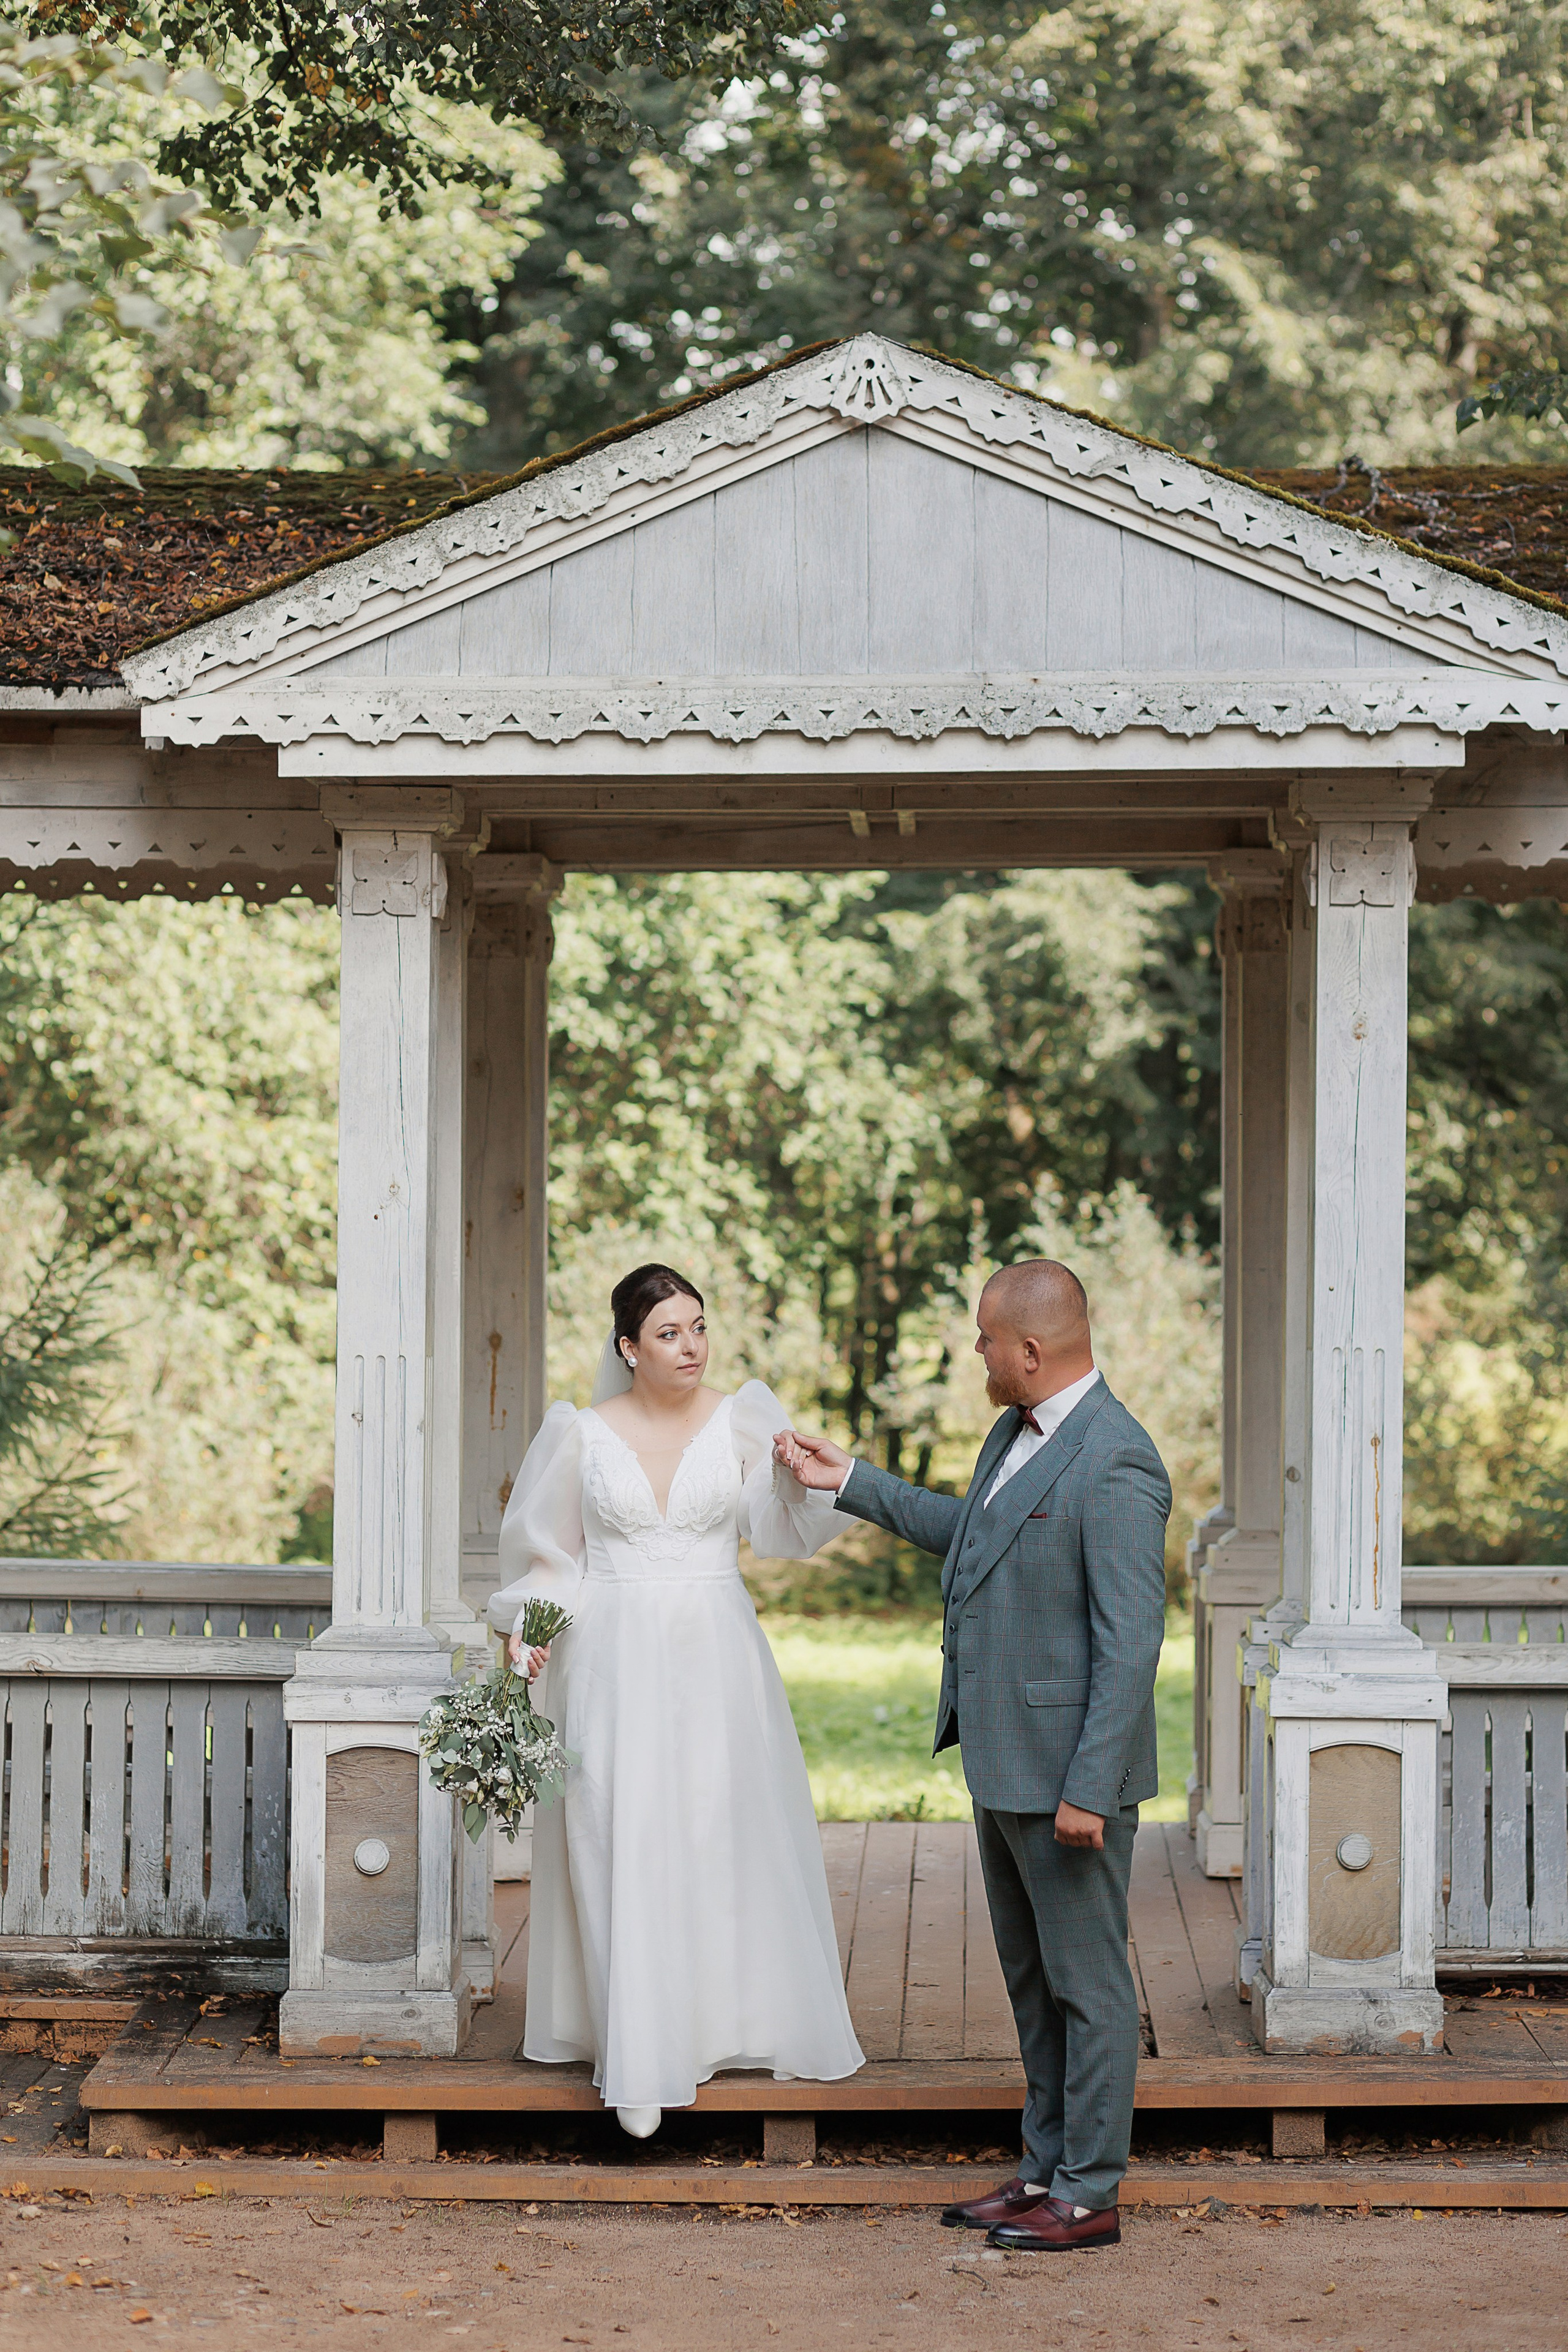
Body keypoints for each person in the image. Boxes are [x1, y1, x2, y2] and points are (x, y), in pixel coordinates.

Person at [774, 1259, 1169, 2252]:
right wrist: (853, 1484)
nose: (977, 1352)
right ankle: (1043, 2169)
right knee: (1035, 1984)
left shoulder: (1118, 1459)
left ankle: (1090, 2192)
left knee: (1091, 1986)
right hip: (1002, 1760)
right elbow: (976, 1537)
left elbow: (1132, 1640)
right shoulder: (1014, 1433)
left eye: (987, 1338)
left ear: (1031, 1352)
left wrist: (1089, 1787)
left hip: (1069, 1779)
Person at [487, 1262, 864, 2138]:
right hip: (610, 1655)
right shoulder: (580, 1433)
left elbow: (780, 1529)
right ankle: (639, 2053)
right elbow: (556, 1559)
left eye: (698, 1327)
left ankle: (723, 2024)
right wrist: (527, 1628)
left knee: (715, 1828)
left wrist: (793, 1477)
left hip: (714, 1652)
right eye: (668, 1332)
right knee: (620, 1831)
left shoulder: (742, 1417)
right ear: (628, 1347)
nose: (690, 1345)